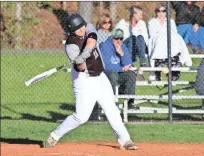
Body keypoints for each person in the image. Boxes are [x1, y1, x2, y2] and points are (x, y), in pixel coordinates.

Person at [43, 13, 138, 150]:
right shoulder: (71, 46)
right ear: (72, 31)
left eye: (82, 26)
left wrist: (86, 52)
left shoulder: (89, 28)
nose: (82, 29)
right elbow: (81, 68)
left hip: (100, 77)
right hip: (84, 80)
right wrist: (80, 61)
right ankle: (54, 135)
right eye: (78, 28)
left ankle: (125, 140)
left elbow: (91, 41)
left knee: (112, 109)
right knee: (81, 117)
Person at [147, 3, 192, 81]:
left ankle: (181, 60)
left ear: (166, 12)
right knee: (161, 38)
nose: (161, 13)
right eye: (159, 11)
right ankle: (161, 61)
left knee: (179, 38)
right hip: (158, 42)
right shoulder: (152, 22)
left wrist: (164, 34)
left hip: (170, 42)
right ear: (156, 12)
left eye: (163, 11)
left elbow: (174, 33)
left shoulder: (171, 21)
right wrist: (164, 34)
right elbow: (153, 34)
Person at [100, 28, 137, 109]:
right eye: (116, 38)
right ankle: (111, 102)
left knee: (131, 74)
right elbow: (106, 66)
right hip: (106, 75)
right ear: (111, 38)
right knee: (113, 74)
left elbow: (128, 64)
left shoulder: (123, 47)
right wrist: (121, 69)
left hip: (119, 74)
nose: (119, 41)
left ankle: (129, 102)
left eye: (121, 38)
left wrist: (122, 55)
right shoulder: (104, 46)